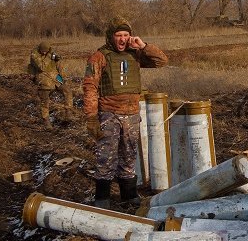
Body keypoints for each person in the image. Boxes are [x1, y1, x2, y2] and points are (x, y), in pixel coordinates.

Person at [83, 17, 167, 209]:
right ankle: (102, 198)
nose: (122, 39)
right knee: (106, 157)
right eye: (118, 35)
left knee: (129, 156)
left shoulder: (136, 54)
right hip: (108, 114)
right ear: (111, 37)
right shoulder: (99, 57)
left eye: (126, 35)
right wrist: (91, 118)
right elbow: (90, 87)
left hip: (131, 114)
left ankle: (129, 196)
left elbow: (161, 61)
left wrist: (143, 45)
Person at [28, 41, 73, 129]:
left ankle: (68, 113)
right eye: (43, 51)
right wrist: (50, 57)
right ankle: (47, 122)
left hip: (55, 79)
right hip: (43, 80)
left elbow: (58, 65)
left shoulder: (51, 53)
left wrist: (63, 76)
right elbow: (42, 67)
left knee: (68, 91)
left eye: (46, 51)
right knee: (45, 102)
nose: (45, 53)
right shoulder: (34, 55)